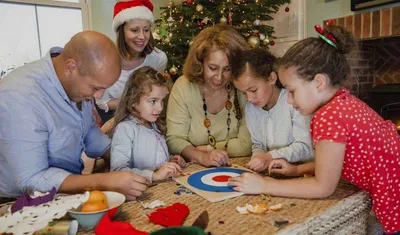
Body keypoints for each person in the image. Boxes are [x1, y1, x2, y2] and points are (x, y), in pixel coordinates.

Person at [228, 25, 400, 235]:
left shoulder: (328, 117)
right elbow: (333, 160)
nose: (289, 101)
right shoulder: (344, 102)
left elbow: (323, 187)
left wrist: (264, 184)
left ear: (318, 82)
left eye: (292, 91)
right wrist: (298, 170)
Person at [0, 31, 149, 201]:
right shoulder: (20, 97)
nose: (99, 96)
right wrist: (103, 180)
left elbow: (88, 131)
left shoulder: (76, 82)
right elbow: (32, 179)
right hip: (16, 202)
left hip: (66, 190)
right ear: (71, 68)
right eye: (95, 88)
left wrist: (120, 156)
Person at [166, 24, 252, 167]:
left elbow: (246, 145)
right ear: (200, 63)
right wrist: (201, 156)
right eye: (213, 68)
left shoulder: (242, 88)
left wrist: (207, 149)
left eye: (227, 69)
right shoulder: (183, 87)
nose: (219, 77)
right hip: (194, 166)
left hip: (239, 165)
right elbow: (174, 140)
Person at [231, 49, 314, 172]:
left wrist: (269, 157)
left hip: (304, 171)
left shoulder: (294, 102)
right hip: (276, 171)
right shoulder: (250, 108)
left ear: (271, 78)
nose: (249, 98)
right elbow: (257, 144)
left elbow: (304, 146)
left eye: (253, 90)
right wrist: (258, 158)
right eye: (244, 93)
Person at [110, 66, 186, 183]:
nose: (160, 108)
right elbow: (118, 171)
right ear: (133, 101)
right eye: (153, 101)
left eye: (162, 101)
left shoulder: (154, 125)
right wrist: (153, 176)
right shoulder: (125, 129)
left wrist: (172, 161)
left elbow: (155, 159)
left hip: (162, 190)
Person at [96, 0, 167, 123]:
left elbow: (156, 94)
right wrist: (135, 104)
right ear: (121, 32)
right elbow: (102, 102)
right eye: (134, 30)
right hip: (113, 116)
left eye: (146, 30)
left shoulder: (158, 59)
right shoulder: (104, 60)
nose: (142, 37)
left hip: (146, 117)